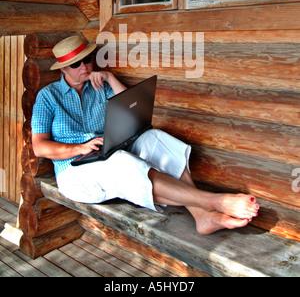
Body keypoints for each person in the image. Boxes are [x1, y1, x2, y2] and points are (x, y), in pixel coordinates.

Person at [31, 35, 260, 235]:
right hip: (73, 171)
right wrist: (79, 148)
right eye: (76, 64)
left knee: (154, 137)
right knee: (123, 162)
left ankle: (201, 216)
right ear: (62, 69)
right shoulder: (48, 96)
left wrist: (110, 78)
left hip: (107, 151)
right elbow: (39, 147)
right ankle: (214, 201)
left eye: (87, 60)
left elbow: (133, 111)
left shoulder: (100, 84)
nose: (85, 67)